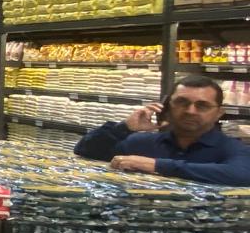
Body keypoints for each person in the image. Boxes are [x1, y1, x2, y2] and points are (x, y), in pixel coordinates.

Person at [74, 74, 250, 186]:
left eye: (202, 105)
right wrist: (124, 127)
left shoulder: (233, 149)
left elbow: (241, 175)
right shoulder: (142, 143)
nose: (191, 111)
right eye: (182, 102)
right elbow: (86, 150)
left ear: (218, 113)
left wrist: (157, 165)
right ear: (167, 107)